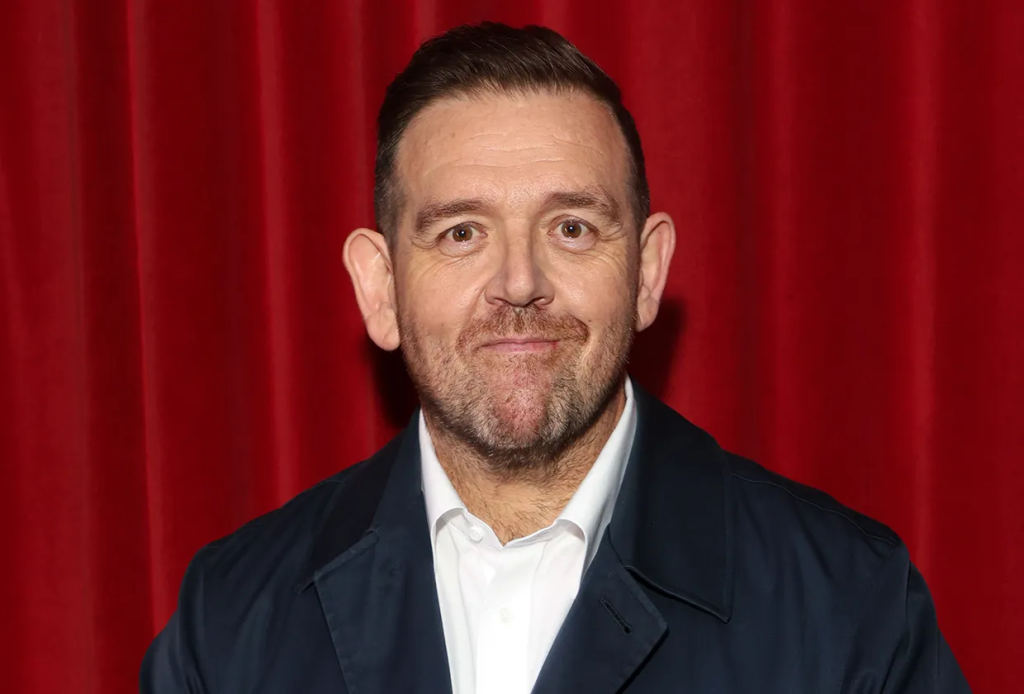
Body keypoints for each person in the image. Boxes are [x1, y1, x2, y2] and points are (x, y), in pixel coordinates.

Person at [141, 22, 970, 694]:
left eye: (571, 228)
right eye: (460, 233)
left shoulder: (852, 609)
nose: (520, 282)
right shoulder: (232, 622)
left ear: (646, 273)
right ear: (380, 289)